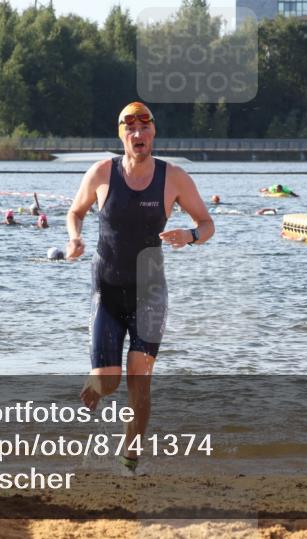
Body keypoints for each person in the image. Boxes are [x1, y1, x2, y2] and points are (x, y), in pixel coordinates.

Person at [66, 101, 214, 474]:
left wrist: (190, 235)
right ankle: (96, 381)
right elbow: (75, 211)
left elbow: (207, 223)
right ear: (122, 135)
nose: (138, 135)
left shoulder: (174, 177)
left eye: (144, 128)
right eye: (129, 129)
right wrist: (74, 239)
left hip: (150, 294)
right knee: (110, 381)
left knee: (140, 381)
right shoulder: (101, 173)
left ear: (153, 134)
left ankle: (129, 461)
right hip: (108, 289)